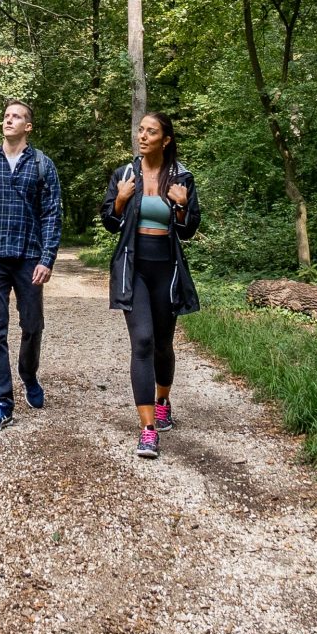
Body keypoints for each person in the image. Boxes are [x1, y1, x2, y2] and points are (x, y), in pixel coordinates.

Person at [0, 100, 62, 434]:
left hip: (29, 256)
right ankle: (2, 402)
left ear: (28, 126)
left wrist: (47, 258)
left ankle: (28, 375)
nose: (9, 120)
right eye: (6, 116)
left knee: (32, 324)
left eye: (16, 117)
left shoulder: (43, 164)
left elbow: (52, 215)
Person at [102, 110, 200, 460]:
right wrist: (120, 200)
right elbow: (110, 221)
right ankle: (147, 430)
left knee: (162, 345)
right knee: (142, 342)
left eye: (151, 132)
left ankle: (163, 400)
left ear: (166, 140)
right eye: (141, 130)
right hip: (135, 269)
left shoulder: (182, 177)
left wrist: (182, 207)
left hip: (166, 271)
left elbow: (188, 230)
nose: (142, 136)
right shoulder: (125, 175)